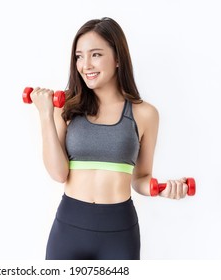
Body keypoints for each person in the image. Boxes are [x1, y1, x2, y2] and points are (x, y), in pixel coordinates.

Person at [29, 17, 189, 260]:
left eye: (95, 54)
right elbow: (58, 174)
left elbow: (140, 179)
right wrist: (45, 115)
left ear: (117, 59)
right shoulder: (65, 109)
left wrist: (163, 189)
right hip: (69, 228)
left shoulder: (145, 114)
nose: (85, 65)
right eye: (79, 56)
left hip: (119, 232)